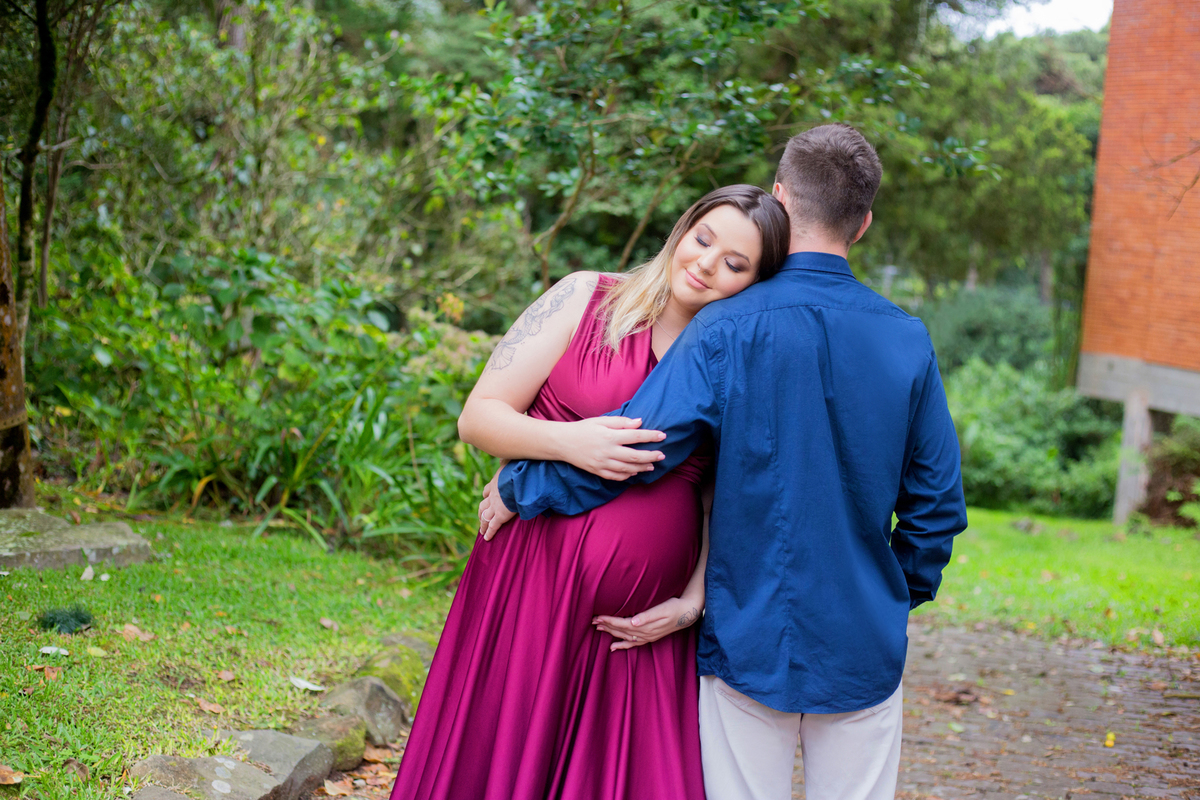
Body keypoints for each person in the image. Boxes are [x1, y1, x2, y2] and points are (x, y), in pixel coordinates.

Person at [482, 123, 969, 800]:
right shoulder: (907, 340)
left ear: (779, 195)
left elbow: (644, 444)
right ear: (862, 225)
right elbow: (937, 507)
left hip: (749, 632)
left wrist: (524, 482)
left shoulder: (726, 325)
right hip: (862, 641)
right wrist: (893, 593)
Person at [389, 184, 791, 800]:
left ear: (755, 283)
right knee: (505, 747)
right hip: (529, 584)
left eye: (735, 264)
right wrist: (569, 443)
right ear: (682, 230)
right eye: (703, 239)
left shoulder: (736, 362)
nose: (707, 264)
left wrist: (690, 602)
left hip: (637, 628)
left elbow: (727, 501)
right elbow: (479, 417)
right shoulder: (587, 297)